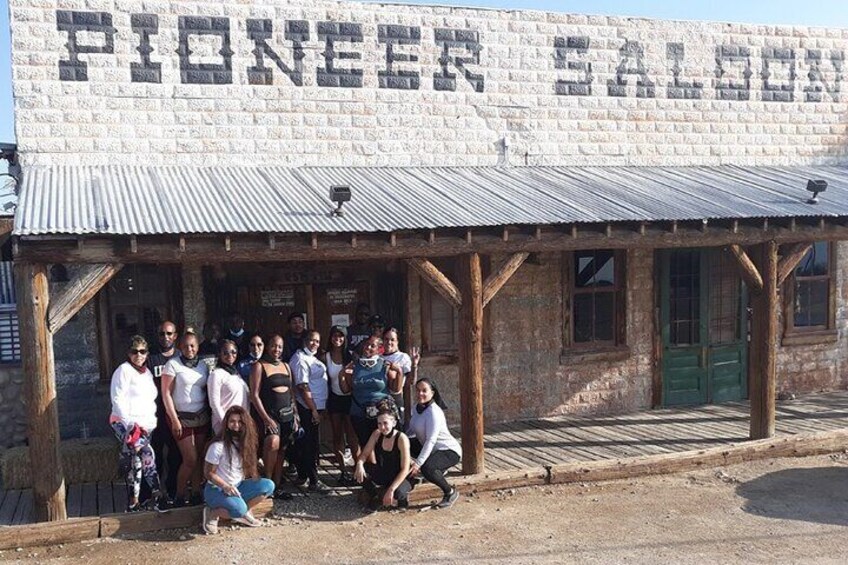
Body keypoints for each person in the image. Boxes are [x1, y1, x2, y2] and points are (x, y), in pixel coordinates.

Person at [109, 335, 168, 512]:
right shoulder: (123, 371)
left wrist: (150, 423)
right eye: (135, 351)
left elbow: (150, 400)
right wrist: (130, 426)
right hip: (126, 423)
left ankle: (135, 502)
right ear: (129, 353)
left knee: (137, 461)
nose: (139, 355)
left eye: (142, 351)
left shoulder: (147, 373)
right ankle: (156, 493)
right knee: (146, 454)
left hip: (144, 425)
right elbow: (117, 399)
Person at [202, 405, 274, 534]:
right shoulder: (217, 446)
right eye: (232, 421)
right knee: (238, 510)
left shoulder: (246, 443)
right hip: (217, 489)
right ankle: (212, 513)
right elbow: (208, 473)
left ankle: (244, 511)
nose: (236, 425)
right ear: (226, 423)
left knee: (268, 485)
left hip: (237, 486)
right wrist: (225, 486)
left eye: (240, 422)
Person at [161, 332, 211, 506]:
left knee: (198, 458)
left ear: (197, 346)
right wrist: (174, 419)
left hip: (201, 415)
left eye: (193, 345)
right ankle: (180, 495)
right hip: (182, 417)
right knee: (189, 458)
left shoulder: (203, 365)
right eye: (186, 346)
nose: (190, 349)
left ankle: (196, 492)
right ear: (180, 347)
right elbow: (166, 393)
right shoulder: (172, 365)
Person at [249, 334, 297, 500]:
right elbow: (254, 396)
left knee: (282, 448)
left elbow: (292, 393)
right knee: (272, 443)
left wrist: (296, 413)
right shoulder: (259, 366)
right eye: (273, 346)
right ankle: (267, 484)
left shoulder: (286, 366)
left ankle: (277, 486)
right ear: (267, 347)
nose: (276, 350)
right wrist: (265, 418)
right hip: (268, 414)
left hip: (287, 414)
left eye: (280, 347)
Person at [340, 336, 404, 451]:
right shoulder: (355, 365)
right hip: (359, 411)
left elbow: (395, 389)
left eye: (372, 346)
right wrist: (342, 374)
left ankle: (382, 468)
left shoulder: (385, 365)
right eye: (366, 345)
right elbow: (346, 390)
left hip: (380, 411)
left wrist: (399, 372)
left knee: (382, 444)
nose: (367, 348)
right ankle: (370, 468)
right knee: (365, 445)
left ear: (379, 349)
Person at [407, 378, 462, 509]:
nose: (420, 394)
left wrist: (418, 464)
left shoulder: (434, 412)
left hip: (448, 451)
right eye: (418, 390)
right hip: (431, 449)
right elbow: (410, 430)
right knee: (403, 444)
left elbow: (431, 440)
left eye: (424, 391)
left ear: (432, 393)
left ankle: (450, 492)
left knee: (427, 468)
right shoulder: (416, 408)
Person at [353, 400, 412, 511]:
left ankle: (402, 497)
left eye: (385, 423)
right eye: (379, 423)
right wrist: (360, 464)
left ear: (394, 423)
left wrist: (391, 490)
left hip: (400, 475)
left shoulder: (401, 438)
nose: (382, 427)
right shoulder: (377, 434)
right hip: (384, 472)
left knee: (398, 493)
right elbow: (364, 454)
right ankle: (375, 496)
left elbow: (405, 469)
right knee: (358, 471)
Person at [290, 330, 330, 493]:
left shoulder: (312, 358)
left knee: (309, 444)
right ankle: (314, 480)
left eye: (318, 341)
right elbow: (302, 385)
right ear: (304, 341)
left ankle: (304, 476)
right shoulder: (299, 359)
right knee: (309, 445)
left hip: (316, 406)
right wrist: (313, 409)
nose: (315, 344)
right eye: (312, 340)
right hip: (307, 408)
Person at [146, 320, 181, 500]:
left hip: (177, 415)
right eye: (162, 334)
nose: (166, 337)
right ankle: (154, 493)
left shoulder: (181, 357)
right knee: (156, 456)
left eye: (169, 333)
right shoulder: (150, 358)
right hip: (156, 415)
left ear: (175, 336)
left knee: (176, 456)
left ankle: (173, 491)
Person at [324, 325, 358, 484]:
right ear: (330, 338)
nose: (337, 339)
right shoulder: (326, 357)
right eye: (334, 336)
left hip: (350, 399)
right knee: (337, 436)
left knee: (352, 436)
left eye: (341, 336)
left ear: (345, 338)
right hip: (334, 399)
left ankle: (358, 468)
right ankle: (343, 471)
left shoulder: (351, 356)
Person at [208, 340, 250, 436]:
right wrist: (226, 423)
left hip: (240, 425)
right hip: (224, 427)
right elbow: (214, 403)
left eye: (233, 352)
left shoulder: (237, 374)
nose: (230, 355)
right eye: (225, 353)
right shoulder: (216, 374)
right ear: (219, 354)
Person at [381, 328, 420, 425]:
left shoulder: (402, 357)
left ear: (397, 341)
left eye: (392, 340)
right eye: (386, 339)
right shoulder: (378, 358)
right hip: (381, 400)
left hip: (396, 399)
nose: (389, 342)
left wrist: (414, 365)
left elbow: (411, 381)